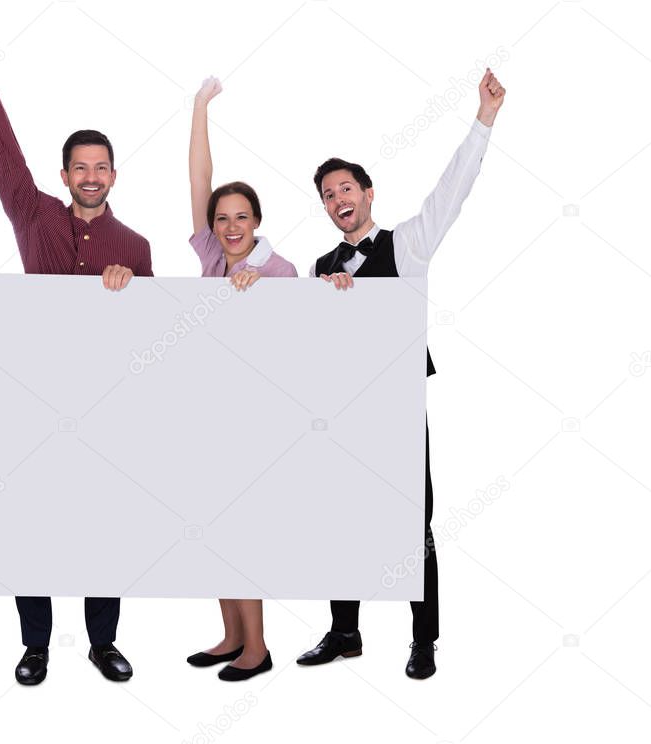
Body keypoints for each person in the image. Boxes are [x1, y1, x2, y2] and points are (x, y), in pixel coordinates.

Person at [298, 68, 506, 680]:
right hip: (340, 413)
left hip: (395, 409)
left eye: (345, 189)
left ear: (367, 192)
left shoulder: (407, 246)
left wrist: (484, 118)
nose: (338, 201)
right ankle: (344, 632)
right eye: (328, 196)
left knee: (413, 525)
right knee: (341, 521)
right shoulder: (318, 267)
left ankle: (422, 641)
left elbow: (454, 190)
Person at [0, 19, 151, 685]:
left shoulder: (136, 248)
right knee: (31, 525)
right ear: (65, 174)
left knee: (103, 526)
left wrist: (132, 294)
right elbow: (2, 157)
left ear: (113, 175)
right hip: (32, 396)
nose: (91, 176)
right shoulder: (34, 215)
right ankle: (35, 645)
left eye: (101, 168)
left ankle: (103, 643)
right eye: (81, 167)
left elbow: (154, 342)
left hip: (105, 408)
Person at [184, 76, 296, 682]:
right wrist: (199, 109)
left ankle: (258, 648)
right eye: (222, 218)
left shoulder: (277, 270)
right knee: (213, 529)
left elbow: (293, 347)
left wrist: (259, 298)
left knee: (242, 531)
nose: (230, 227)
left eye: (241, 218)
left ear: (258, 221)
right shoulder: (208, 258)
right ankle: (231, 635)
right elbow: (201, 179)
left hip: (251, 421)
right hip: (208, 412)